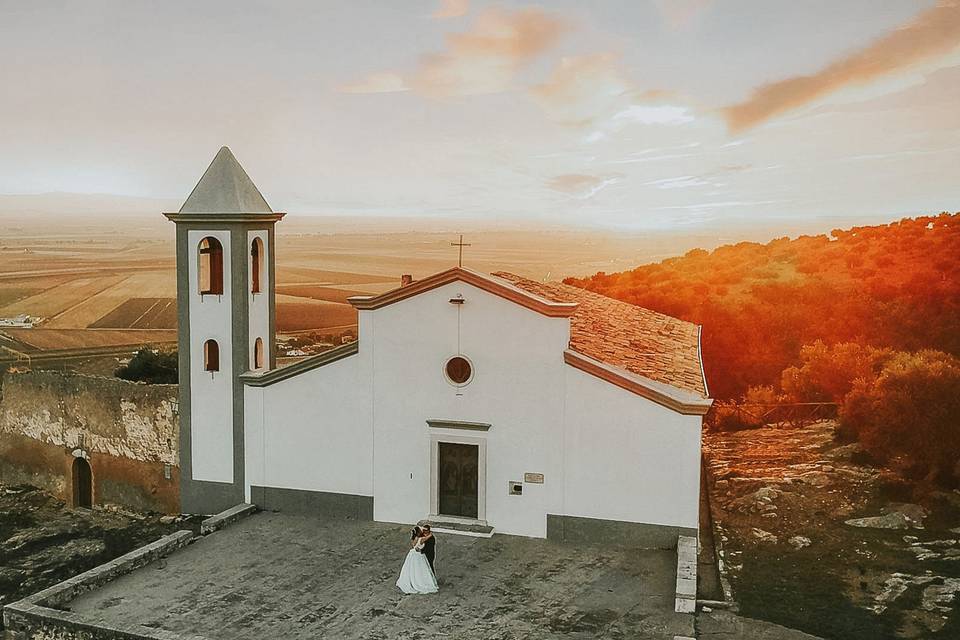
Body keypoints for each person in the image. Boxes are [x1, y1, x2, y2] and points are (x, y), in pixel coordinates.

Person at [396, 526, 438, 594]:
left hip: (412, 554)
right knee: (421, 569)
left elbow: (414, 545)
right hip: (419, 555)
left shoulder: (414, 539)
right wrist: (429, 532)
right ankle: (422, 581)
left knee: (413, 569)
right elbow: (430, 536)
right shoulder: (421, 539)